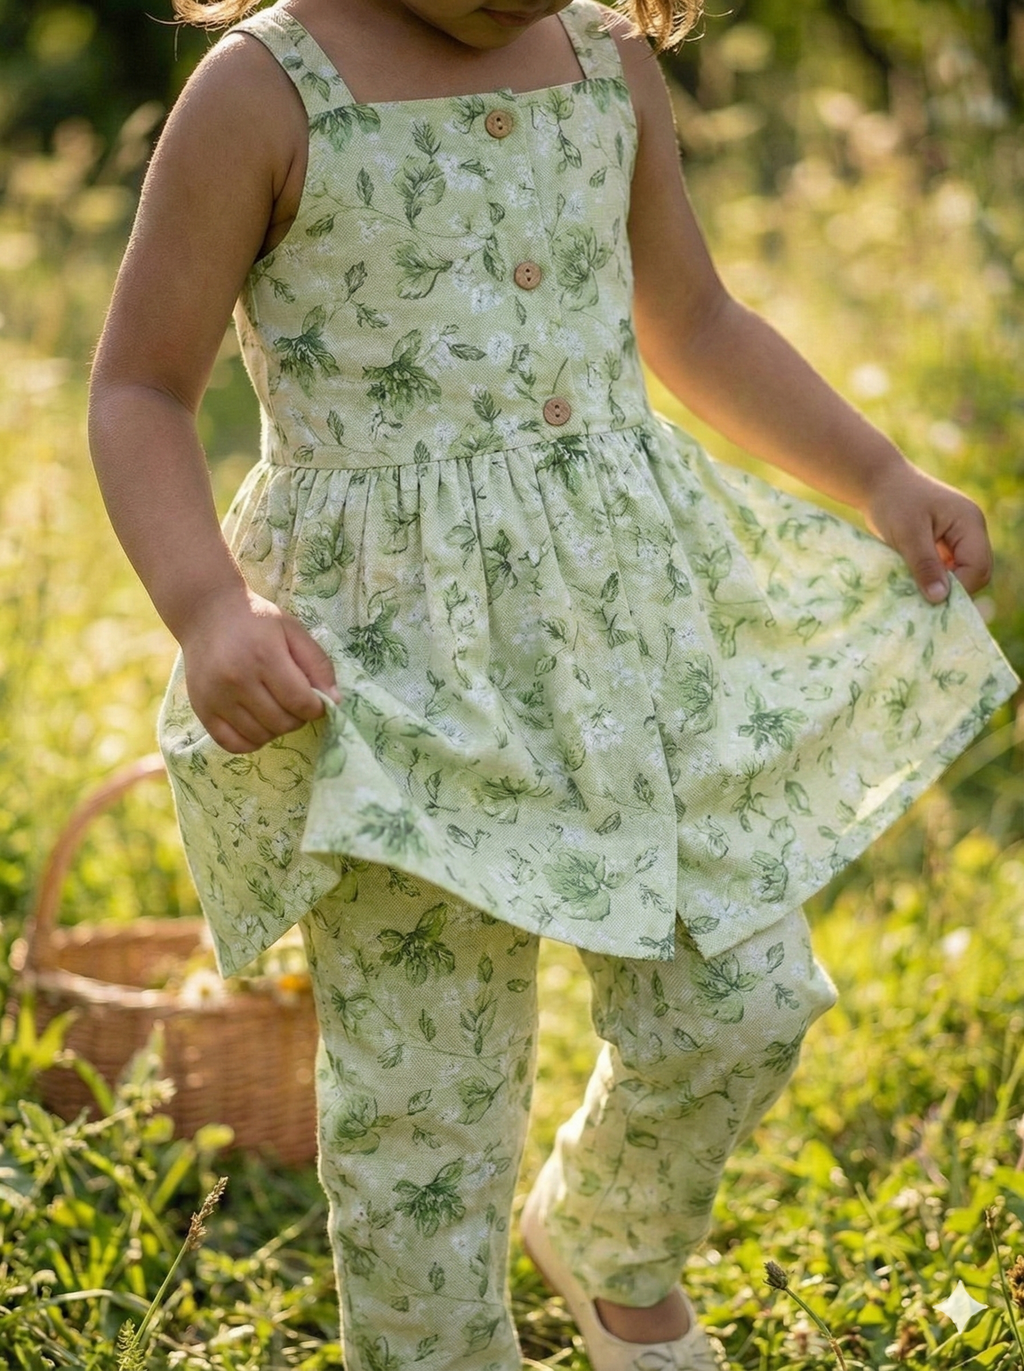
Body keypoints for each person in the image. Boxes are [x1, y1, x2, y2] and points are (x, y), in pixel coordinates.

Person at [87, 0, 1018, 1365]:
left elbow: (690, 317)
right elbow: (139, 389)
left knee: (739, 997)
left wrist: (877, 474)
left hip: (633, 639)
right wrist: (209, 609)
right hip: (401, 678)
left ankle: (607, 1233)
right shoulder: (262, 91)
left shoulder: (603, 57)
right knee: (427, 1095)